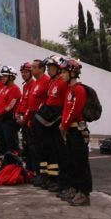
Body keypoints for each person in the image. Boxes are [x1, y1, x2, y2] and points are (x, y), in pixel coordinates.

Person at [58, 58, 91, 206]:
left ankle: (84, 193)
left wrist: (64, 125)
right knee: (71, 162)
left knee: (80, 163)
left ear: (72, 73)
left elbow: (75, 111)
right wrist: (63, 125)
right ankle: (74, 188)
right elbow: (65, 110)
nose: (62, 75)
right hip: (69, 131)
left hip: (78, 131)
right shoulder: (69, 90)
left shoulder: (79, 89)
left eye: (64, 72)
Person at [35, 54, 68, 192]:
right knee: (46, 150)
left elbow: (64, 103)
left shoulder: (62, 83)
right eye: (48, 67)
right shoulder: (52, 82)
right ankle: (47, 177)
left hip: (56, 121)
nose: (48, 70)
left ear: (59, 68)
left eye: (51, 67)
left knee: (56, 151)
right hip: (47, 120)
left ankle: (56, 180)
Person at [0, 65, 22, 155]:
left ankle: (14, 163)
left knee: (11, 143)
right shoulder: (3, 88)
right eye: (2, 76)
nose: (2, 78)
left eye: (5, 76)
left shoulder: (15, 89)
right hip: (1, 119)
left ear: (11, 77)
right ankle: (4, 164)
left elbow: (10, 106)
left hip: (9, 120)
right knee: (1, 143)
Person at [16, 62, 35, 169]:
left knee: (31, 146)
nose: (23, 74)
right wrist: (17, 113)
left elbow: (31, 105)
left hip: (30, 120)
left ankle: (32, 169)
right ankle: (29, 168)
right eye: (22, 72)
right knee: (25, 145)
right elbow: (23, 101)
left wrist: (25, 119)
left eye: (26, 72)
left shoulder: (33, 85)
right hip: (24, 120)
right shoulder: (25, 86)